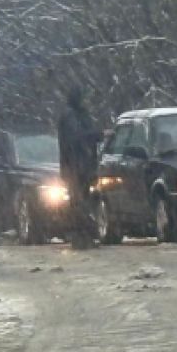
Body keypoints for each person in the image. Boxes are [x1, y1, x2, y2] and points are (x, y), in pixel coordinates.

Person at [57, 84, 102, 248]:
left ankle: (83, 236)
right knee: (79, 202)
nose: (86, 101)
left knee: (81, 201)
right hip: (76, 166)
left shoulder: (78, 114)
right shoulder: (70, 116)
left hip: (81, 165)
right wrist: (98, 135)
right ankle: (82, 236)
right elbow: (76, 137)